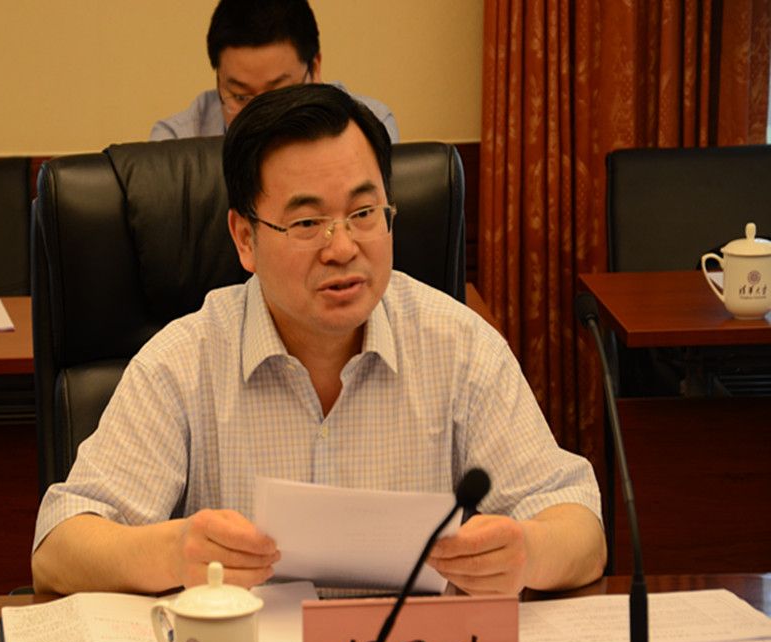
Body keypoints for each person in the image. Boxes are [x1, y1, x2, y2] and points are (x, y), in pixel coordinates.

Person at [33, 84, 606, 598]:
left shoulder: (459, 346)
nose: (342, 247)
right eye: (307, 223)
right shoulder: (184, 360)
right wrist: (170, 552)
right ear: (245, 238)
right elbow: (58, 548)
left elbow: (580, 529)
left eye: (363, 212)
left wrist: (527, 553)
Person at [149, 0, 399, 143]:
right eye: (241, 97)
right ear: (218, 81)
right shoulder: (177, 144)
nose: (262, 118)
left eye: (279, 94)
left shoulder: (369, 128)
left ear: (315, 68)